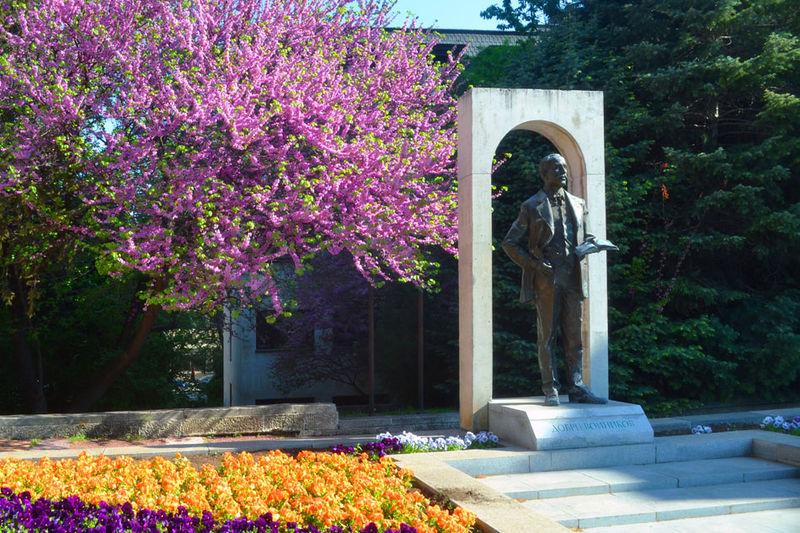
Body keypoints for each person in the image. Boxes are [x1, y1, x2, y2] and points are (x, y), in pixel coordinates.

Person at [502, 153, 607, 406]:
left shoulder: (579, 203)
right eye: (557, 169)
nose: (563, 173)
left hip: (573, 278)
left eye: (564, 168)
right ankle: (551, 388)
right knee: (547, 336)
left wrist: (594, 244)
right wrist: (534, 265)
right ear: (545, 174)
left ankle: (578, 387)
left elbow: (587, 236)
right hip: (546, 280)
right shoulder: (531, 206)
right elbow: (509, 243)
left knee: (574, 337)